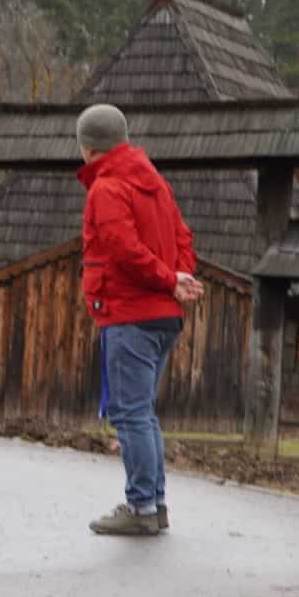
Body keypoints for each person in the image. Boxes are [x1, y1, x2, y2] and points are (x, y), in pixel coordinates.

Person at [76, 103, 204, 537]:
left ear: (87, 147)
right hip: (163, 317)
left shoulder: (107, 189)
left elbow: (122, 250)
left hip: (130, 316)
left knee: (130, 414)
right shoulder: (156, 184)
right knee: (143, 412)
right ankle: (156, 503)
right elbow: (183, 237)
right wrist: (178, 278)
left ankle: (141, 507)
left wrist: (169, 280)